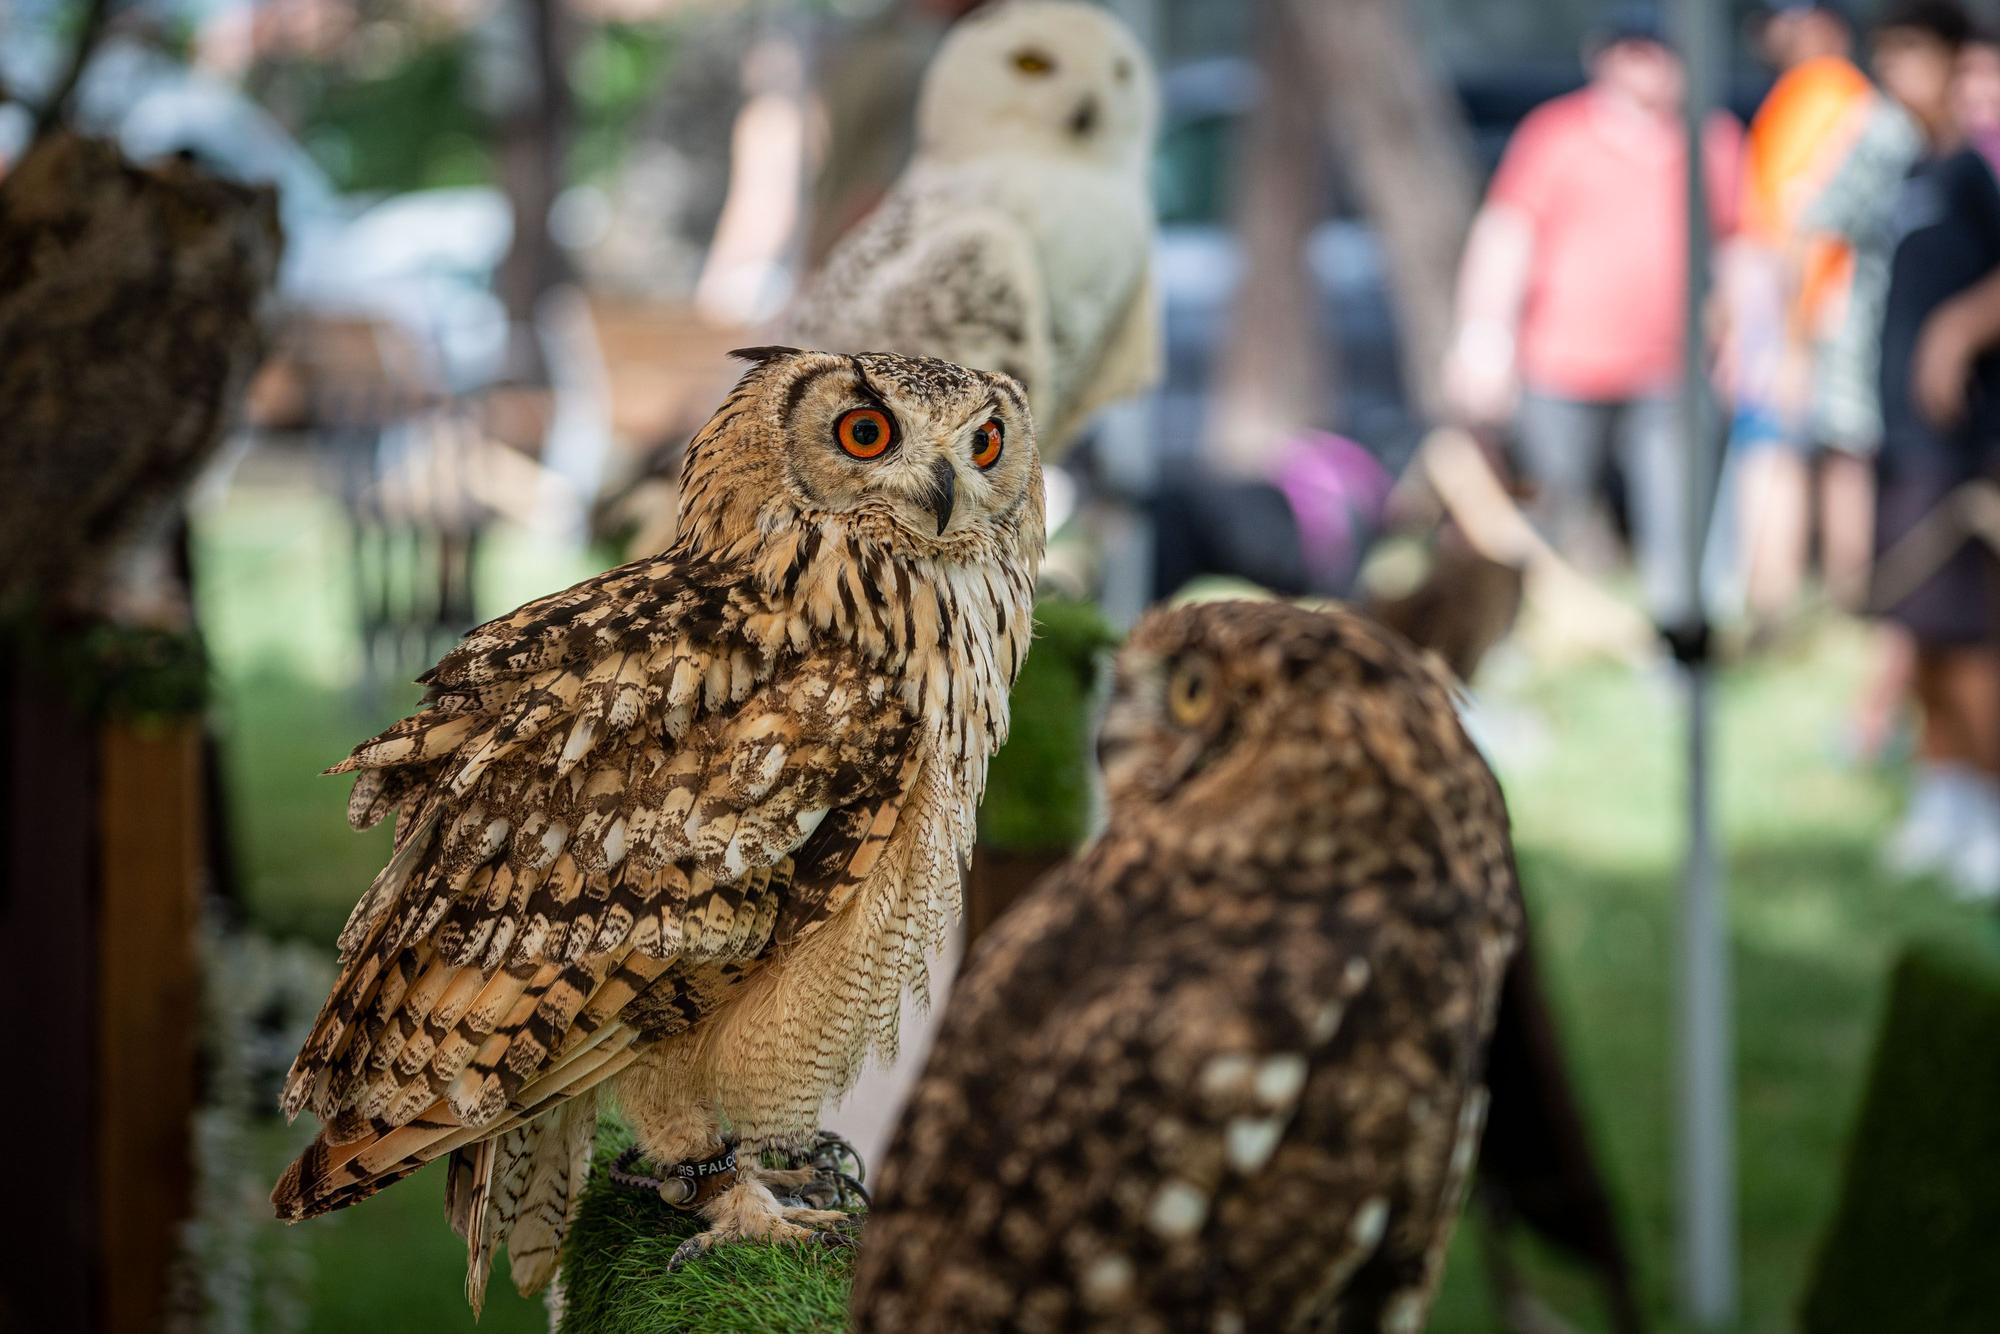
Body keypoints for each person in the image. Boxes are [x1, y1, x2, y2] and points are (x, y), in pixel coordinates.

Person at [1445, 5, 1743, 628]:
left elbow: (1739, 248)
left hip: (1671, 368)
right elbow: (1506, 237)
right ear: (1608, 58)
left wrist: (1744, 340)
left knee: (1679, 516)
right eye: (1640, 53)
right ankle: (1535, 637)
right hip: (1562, 364)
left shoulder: (1710, 139)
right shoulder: (1556, 135)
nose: (1656, 68)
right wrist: (1482, 340)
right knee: (1553, 511)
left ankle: (1681, 640)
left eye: (1667, 54)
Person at [1859, 2, 2000, 899]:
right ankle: (1944, 792)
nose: (1896, 69)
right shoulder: (1912, 165)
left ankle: (1989, 804)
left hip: (1964, 447)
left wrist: (1958, 329)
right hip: (1904, 440)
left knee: (1976, 634)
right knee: (1921, 629)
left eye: (1913, 52)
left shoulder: (1975, 170)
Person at [1731, 1, 1879, 622]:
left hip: (1815, 311)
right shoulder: (1799, 95)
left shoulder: (1828, 94)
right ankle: (1801, 608)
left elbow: (1807, 226)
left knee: (1795, 457)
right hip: (1798, 306)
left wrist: (1788, 337)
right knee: (1795, 455)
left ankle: (1798, 610)